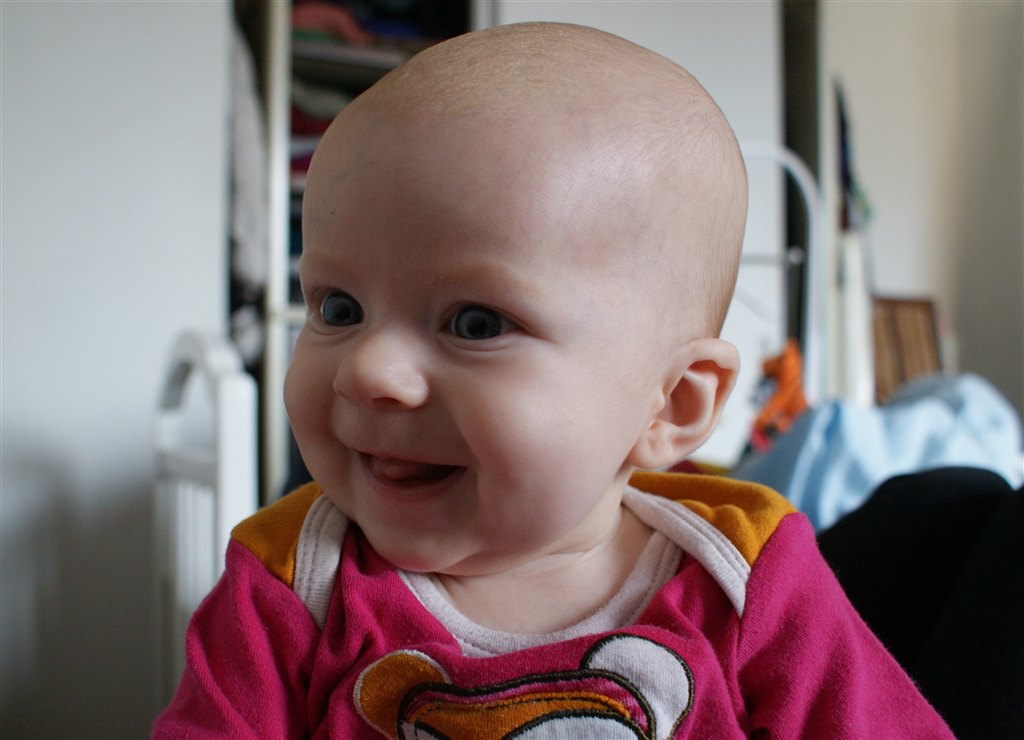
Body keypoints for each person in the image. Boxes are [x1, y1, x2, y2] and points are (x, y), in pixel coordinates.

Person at [155, 23, 952, 738]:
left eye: (475, 323)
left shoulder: (746, 576)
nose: (368, 370)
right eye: (339, 307)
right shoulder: (289, 583)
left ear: (672, 405)